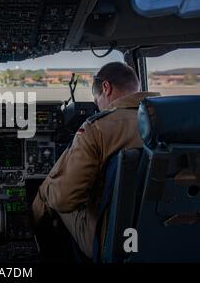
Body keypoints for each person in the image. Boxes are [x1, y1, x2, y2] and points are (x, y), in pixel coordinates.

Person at [32, 62, 159, 259]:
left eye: (96, 95)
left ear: (106, 88)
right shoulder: (177, 120)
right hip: (166, 234)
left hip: (115, 241)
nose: (96, 103)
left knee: (47, 195)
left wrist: (50, 183)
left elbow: (66, 199)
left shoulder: (98, 128)